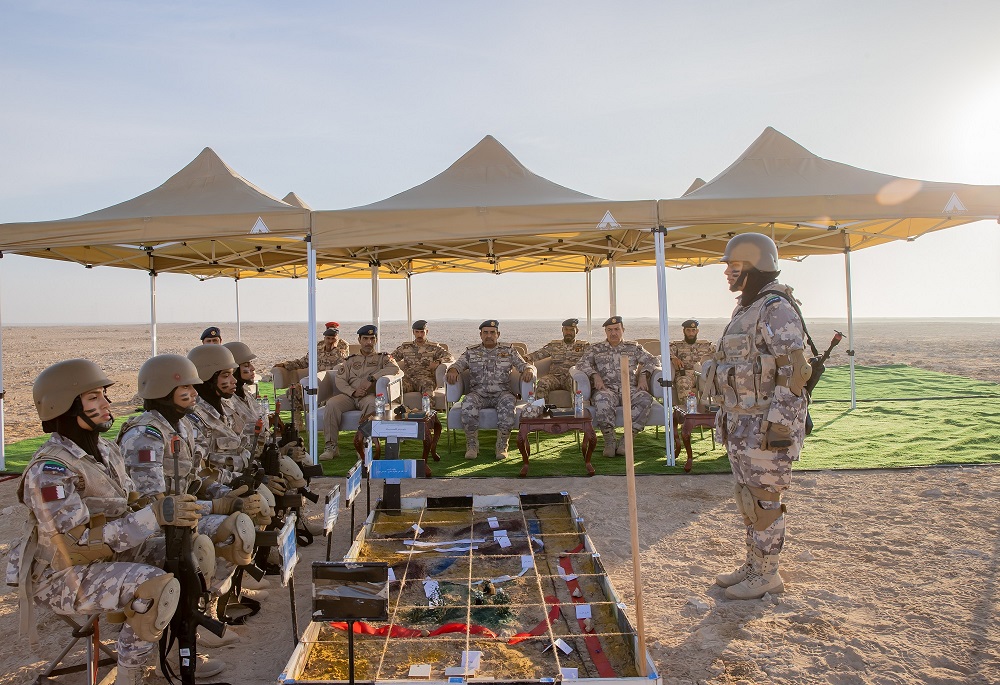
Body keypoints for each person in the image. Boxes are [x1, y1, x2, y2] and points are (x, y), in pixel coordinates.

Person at [8, 359, 207, 685]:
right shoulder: (50, 470)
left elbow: (128, 506)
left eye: (104, 395)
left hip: (105, 557)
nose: (106, 403)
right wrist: (154, 517)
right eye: (94, 397)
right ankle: (129, 677)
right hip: (60, 574)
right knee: (153, 586)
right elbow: (77, 546)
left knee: (190, 553)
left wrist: (165, 511)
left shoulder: (105, 451)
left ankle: (172, 656)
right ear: (65, 406)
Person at [118, 354, 265, 651]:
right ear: (163, 390)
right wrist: (216, 507)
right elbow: (154, 505)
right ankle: (190, 623)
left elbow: (195, 480)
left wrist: (227, 494)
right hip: (152, 527)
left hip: (182, 514)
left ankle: (208, 607)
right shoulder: (145, 435)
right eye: (186, 387)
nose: (194, 393)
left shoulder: (181, 426)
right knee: (208, 543)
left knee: (240, 520)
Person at [711, 233, 810, 601]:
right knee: (748, 498)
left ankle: (767, 574)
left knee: (765, 500)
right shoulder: (746, 308)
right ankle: (755, 565)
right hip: (742, 424)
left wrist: (780, 426)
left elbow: (794, 373)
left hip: (766, 425)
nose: (727, 272)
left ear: (756, 265)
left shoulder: (775, 307)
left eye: (734, 265)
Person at [446, 320, 535, 460]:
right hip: (478, 393)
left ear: (498, 334)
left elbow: (523, 365)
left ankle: (502, 446)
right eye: (485, 332)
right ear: (480, 335)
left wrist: (529, 370)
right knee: (468, 403)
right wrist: (452, 370)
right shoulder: (471, 352)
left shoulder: (508, 350)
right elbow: (458, 364)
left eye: (492, 332)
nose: (489, 335)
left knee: (508, 406)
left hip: (502, 393)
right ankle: (472, 446)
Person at [575, 316, 661, 458]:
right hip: (606, 389)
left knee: (645, 399)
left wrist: (643, 375)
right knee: (602, 400)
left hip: (630, 388)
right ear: (605, 332)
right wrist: (594, 375)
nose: (613, 333)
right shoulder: (596, 349)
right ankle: (609, 441)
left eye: (616, 329)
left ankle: (627, 440)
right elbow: (581, 364)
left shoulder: (633, 348)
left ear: (623, 330)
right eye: (609, 330)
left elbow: (653, 360)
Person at [319, 325, 400, 460]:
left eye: (372, 339)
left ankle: (363, 445)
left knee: (372, 404)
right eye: (365, 339)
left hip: (368, 396)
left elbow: (395, 369)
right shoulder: (350, 360)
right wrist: (353, 392)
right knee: (332, 404)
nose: (369, 342)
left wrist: (372, 378)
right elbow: (340, 380)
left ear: (376, 340)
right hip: (350, 396)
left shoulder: (382, 358)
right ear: (359, 340)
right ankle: (331, 446)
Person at [277, 322, 350, 425]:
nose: (330, 341)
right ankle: (298, 422)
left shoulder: (342, 346)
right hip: (314, 381)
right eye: (328, 338)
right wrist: (285, 365)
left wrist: (334, 349)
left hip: (332, 384)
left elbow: (345, 362)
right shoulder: (319, 346)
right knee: (292, 391)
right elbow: (304, 362)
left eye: (333, 338)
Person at [525, 318, 590, 403]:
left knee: (577, 384)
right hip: (554, 377)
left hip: (571, 377)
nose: (568, 332)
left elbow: (593, 358)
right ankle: (540, 409)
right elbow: (536, 355)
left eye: (571, 330)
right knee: (542, 383)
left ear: (577, 331)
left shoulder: (584, 346)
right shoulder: (554, 345)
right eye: (566, 329)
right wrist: (527, 362)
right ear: (562, 330)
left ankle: (577, 410)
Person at [391, 319, 454, 398]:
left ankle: (428, 406)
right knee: (393, 390)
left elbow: (450, 357)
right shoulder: (405, 347)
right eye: (417, 332)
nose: (419, 335)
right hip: (408, 379)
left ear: (426, 332)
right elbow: (391, 358)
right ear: (413, 332)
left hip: (425, 379)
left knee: (428, 390)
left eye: (422, 332)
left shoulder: (434, 347)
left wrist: (438, 361)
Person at [223, 341, 267, 454]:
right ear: (235, 370)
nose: (252, 368)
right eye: (246, 365)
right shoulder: (226, 402)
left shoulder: (245, 394)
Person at [669, 319, 717, 407]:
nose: (691, 333)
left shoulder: (705, 345)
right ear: (684, 331)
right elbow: (665, 350)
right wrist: (673, 358)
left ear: (697, 331)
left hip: (703, 374)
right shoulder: (677, 346)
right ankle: (688, 411)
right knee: (683, 382)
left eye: (693, 330)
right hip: (686, 375)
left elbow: (719, 350)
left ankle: (714, 410)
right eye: (688, 330)